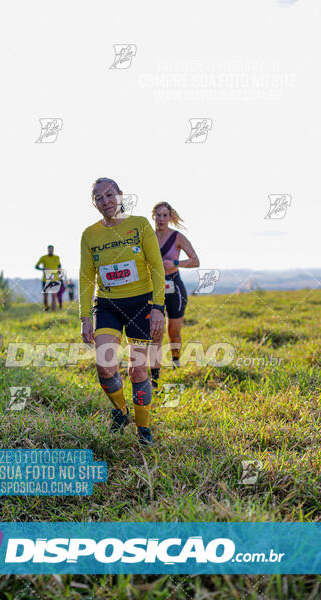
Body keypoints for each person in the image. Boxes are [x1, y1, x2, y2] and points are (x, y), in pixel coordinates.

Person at [79, 177, 165, 445]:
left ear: (120, 195)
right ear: (94, 203)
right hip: (107, 305)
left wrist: (159, 308)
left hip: (141, 304)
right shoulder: (89, 234)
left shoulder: (139, 225)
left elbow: (157, 268)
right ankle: (121, 411)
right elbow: (85, 277)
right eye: (98, 198)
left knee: (138, 371)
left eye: (109, 195)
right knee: (105, 365)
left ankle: (143, 430)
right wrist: (84, 317)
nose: (105, 201)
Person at [150, 202, 199, 389]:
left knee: (173, 332)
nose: (161, 219)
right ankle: (154, 378)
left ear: (170, 217)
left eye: (164, 215)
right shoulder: (149, 237)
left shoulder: (177, 237)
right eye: (158, 215)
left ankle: (176, 362)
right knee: (156, 333)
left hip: (174, 287)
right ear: (153, 216)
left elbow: (196, 261)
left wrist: (176, 262)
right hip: (155, 288)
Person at [35, 245, 62, 311]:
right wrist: (43, 269)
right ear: (47, 250)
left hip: (55, 279)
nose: (50, 251)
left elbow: (59, 266)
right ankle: (46, 308)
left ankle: (53, 310)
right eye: (49, 250)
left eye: (52, 250)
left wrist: (59, 275)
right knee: (45, 296)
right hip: (46, 279)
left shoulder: (57, 257)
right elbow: (36, 266)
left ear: (53, 250)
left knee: (54, 295)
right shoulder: (43, 258)